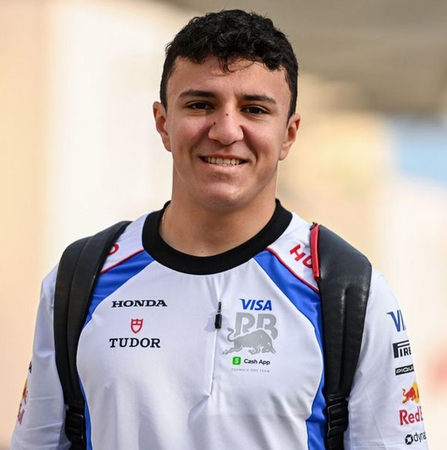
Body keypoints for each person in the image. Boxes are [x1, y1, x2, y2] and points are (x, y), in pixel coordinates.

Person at [10, 9, 428, 450]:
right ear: (162, 123)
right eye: (200, 105)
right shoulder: (80, 279)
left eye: (254, 109)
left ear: (289, 134)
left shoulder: (349, 291)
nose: (227, 131)